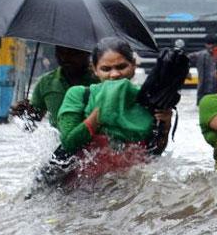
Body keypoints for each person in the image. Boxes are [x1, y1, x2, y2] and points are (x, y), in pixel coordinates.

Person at [55, 37, 173, 180]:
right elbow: (68, 142)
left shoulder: (146, 100)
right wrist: (100, 113)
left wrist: (165, 124)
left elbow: (153, 153)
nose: (115, 74)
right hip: (81, 186)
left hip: (128, 187)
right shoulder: (80, 95)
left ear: (133, 65)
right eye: (106, 69)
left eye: (122, 67)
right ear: (95, 69)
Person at [10, 45, 99, 128]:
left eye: (73, 53)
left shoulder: (100, 81)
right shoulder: (46, 82)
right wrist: (24, 113)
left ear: (87, 54)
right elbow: (33, 121)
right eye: (60, 52)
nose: (65, 58)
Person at [188, 33, 217, 105]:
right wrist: (186, 72)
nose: (211, 46)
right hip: (204, 91)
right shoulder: (199, 55)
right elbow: (184, 60)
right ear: (205, 45)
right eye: (209, 44)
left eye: (214, 44)